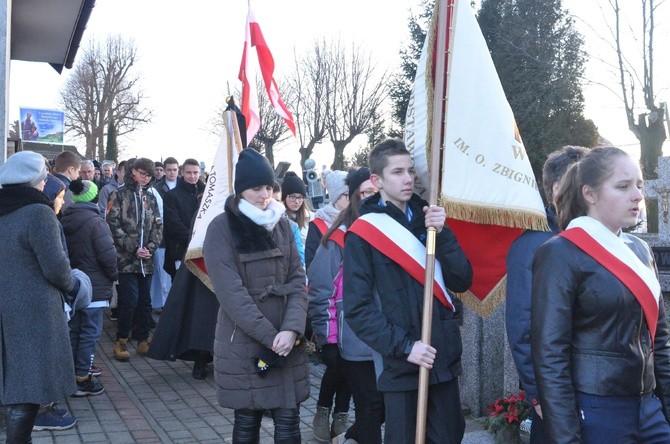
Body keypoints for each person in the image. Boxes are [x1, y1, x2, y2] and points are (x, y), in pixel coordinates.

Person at [531, 146, 670, 443]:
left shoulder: (640, 250)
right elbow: (550, 355)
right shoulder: (560, 252)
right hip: (598, 410)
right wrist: (566, 437)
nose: (637, 196)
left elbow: (659, 339)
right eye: (623, 186)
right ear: (589, 195)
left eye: (639, 185)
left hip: (650, 409)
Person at [343, 139, 472, 443]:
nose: (408, 179)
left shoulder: (430, 221)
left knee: (450, 437)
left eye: (411, 171)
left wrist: (445, 235)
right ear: (377, 181)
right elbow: (358, 309)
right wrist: (405, 347)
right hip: (402, 365)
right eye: (397, 172)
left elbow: (462, 280)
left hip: (442, 359)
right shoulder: (363, 234)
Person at [203, 148, 309, 444]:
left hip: (287, 338)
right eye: (256, 188)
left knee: (289, 422)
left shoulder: (283, 225)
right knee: (247, 421)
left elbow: (298, 279)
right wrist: (271, 337)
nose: (265, 195)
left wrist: (291, 329)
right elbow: (230, 294)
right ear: (240, 190)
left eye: (269, 187)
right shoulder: (221, 229)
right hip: (245, 340)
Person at [505, 145, 587, 443]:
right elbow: (522, 326)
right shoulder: (534, 245)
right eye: (584, 183)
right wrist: (538, 395)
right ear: (557, 188)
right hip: (554, 393)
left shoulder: (587, 235)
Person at [0, 151, 80, 442]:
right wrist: (75, 285)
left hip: (6, 307)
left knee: (12, 380)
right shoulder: (38, 212)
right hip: (33, 309)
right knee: (29, 384)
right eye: (45, 179)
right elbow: (57, 268)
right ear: (37, 181)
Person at [309, 166, 385, 444]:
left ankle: (347, 437)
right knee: (371, 407)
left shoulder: (390, 231)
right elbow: (321, 292)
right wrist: (327, 340)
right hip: (352, 341)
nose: (369, 199)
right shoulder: (335, 239)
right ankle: (341, 427)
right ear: (352, 197)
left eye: (373, 193)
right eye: (363, 193)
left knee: (382, 408)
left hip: (386, 338)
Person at [61, 179, 118, 397]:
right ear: (95, 198)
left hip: (74, 287)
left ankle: (72, 373)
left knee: (75, 330)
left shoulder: (64, 218)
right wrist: (114, 276)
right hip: (94, 287)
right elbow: (108, 255)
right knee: (90, 333)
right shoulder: (96, 222)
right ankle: (82, 377)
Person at [107, 158, 163, 361]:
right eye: (142, 174)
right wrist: (133, 248)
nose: (145, 178)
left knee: (145, 302)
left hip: (146, 260)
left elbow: (158, 225)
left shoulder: (151, 197)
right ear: (133, 172)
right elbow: (112, 225)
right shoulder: (119, 194)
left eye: (148, 175)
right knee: (129, 300)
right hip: (126, 259)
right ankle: (121, 339)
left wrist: (150, 248)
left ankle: (142, 339)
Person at [164, 158, 205, 279]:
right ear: (182, 173)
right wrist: (193, 238)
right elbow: (173, 224)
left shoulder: (206, 195)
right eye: (189, 172)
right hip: (180, 250)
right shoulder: (172, 196)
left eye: (196, 173)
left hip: (203, 250)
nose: (193, 176)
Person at [305, 169, 348, 269]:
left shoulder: (357, 219)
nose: (351, 198)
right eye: (347, 194)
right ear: (336, 196)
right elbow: (312, 264)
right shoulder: (317, 225)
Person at [282, 171, 312, 249]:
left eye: (300, 197)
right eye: (292, 197)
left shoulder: (310, 218)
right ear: (284, 197)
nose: (297, 201)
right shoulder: (279, 219)